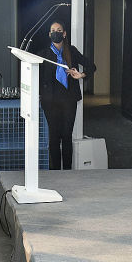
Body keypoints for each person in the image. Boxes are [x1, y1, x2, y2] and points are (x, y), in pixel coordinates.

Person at [30, 22, 92, 172]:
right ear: (49, 34)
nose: (55, 33)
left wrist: (81, 75)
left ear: (64, 34)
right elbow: (35, 76)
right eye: (53, 31)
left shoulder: (71, 51)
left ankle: (68, 171)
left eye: (59, 30)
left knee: (66, 136)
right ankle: (56, 172)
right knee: (54, 136)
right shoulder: (43, 54)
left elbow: (92, 66)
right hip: (50, 101)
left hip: (69, 100)